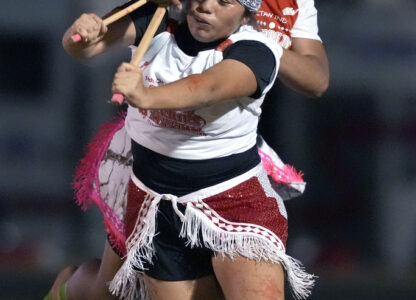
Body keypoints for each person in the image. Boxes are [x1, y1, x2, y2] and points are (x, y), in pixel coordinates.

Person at [44, 0, 328, 299]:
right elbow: (83, 47)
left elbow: (209, 88)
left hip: (230, 194)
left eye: (224, 1)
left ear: (248, 12)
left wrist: (145, 94)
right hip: (151, 184)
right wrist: (79, 35)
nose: (206, 7)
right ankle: (73, 287)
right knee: (111, 293)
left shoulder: (256, 47)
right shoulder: (158, 17)